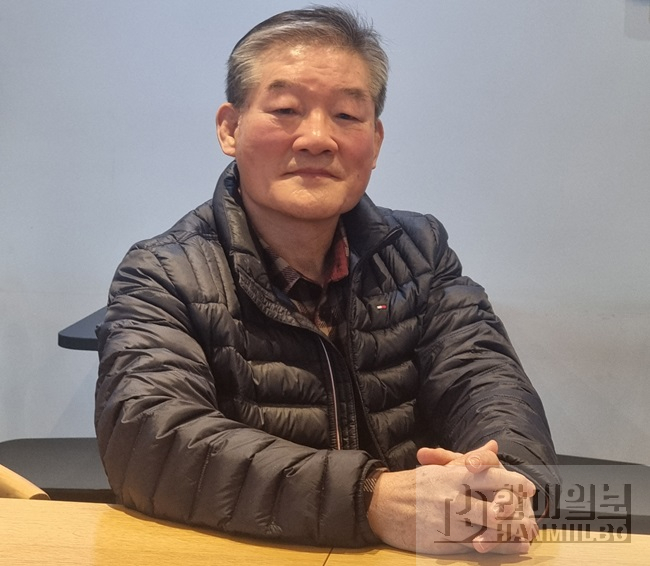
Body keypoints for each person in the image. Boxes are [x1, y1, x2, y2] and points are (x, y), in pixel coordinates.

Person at [95, 6, 560, 556]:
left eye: (346, 115)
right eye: (286, 110)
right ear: (230, 128)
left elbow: (485, 379)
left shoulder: (421, 252)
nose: (317, 138)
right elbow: (152, 438)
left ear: (376, 140)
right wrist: (370, 499)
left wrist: (501, 480)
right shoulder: (163, 272)